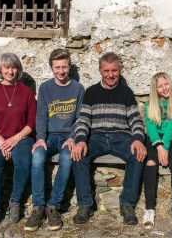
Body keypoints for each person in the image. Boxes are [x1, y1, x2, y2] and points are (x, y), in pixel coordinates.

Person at [71, 52, 146, 225]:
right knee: (78, 154)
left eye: (114, 70)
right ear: (100, 71)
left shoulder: (126, 93)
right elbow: (83, 120)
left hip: (121, 137)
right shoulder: (91, 92)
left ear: (119, 70)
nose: (111, 75)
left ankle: (127, 204)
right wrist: (80, 140)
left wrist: (137, 139)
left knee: (137, 154)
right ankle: (85, 205)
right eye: (106, 71)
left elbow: (136, 120)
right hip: (96, 137)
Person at [25, 48, 85, 231]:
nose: (61, 71)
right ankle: (38, 206)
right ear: (51, 67)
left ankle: (54, 206)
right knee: (37, 157)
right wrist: (40, 138)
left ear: (69, 67)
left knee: (68, 159)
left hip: (68, 138)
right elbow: (41, 116)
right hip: (49, 137)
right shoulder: (45, 88)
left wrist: (74, 137)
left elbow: (80, 117)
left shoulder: (77, 88)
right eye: (57, 67)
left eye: (64, 67)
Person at [0, 52, 36, 229]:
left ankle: (15, 202)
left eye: (14, 67)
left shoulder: (27, 93)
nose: (10, 71)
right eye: (7, 67)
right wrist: (1, 141)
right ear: (0, 69)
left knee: (24, 160)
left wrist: (14, 139)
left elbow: (31, 123)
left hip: (22, 138)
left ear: (18, 69)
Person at [142, 72, 172, 229]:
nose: (164, 88)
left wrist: (165, 148)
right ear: (155, 89)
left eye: (166, 84)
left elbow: (171, 129)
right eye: (160, 86)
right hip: (153, 140)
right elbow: (152, 129)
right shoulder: (149, 105)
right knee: (151, 163)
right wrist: (159, 148)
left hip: (170, 139)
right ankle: (150, 209)